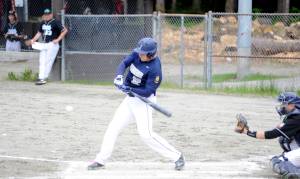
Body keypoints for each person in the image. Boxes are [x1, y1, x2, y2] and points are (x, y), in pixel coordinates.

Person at [88, 37, 185, 171]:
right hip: (130, 99)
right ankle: (101, 160)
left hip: (144, 102)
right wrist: (119, 76)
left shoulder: (155, 68)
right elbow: (124, 64)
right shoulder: (137, 54)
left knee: (146, 134)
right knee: (113, 128)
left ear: (151, 54)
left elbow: (148, 91)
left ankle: (177, 156)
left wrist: (130, 89)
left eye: (143, 53)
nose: (139, 54)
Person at [237, 92, 300, 178]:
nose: (282, 106)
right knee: (277, 158)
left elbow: (271, 134)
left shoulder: (296, 118)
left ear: (292, 105)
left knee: (280, 162)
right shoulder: (295, 117)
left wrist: (247, 132)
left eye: (284, 104)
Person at [28, 9, 68, 85]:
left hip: (52, 44)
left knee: (48, 61)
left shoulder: (55, 22)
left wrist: (58, 39)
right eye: (45, 14)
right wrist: (33, 39)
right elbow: (39, 33)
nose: (46, 16)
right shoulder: (43, 22)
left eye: (48, 14)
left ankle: (43, 78)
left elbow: (65, 30)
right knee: (42, 61)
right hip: (44, 44)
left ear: (51, 15)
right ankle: (41, 77)